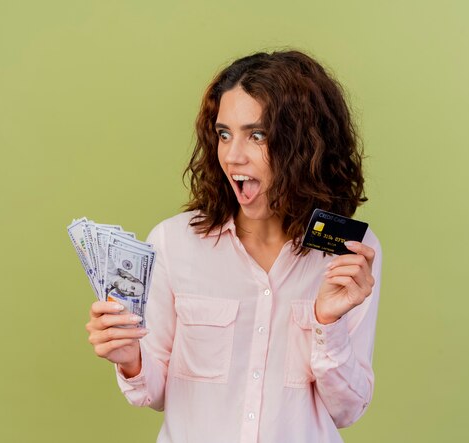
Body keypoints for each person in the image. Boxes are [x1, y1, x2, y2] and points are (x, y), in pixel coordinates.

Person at [85, 50, 382, 443]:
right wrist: (129, 359)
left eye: (257, 135)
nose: (233, 155)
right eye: (224, 134)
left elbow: (346, 410)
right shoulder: (174, 243)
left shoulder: (349, 253)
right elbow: (151, 393)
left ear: (304, 146)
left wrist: (328, 323)